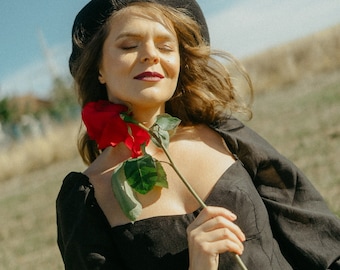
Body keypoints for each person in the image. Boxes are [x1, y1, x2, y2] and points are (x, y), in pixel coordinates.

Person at [56, 0, 340, 269]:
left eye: (166, 46)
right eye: (129, 45)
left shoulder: (226, 135)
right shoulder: (84, 202)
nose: (151, 54)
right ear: (99, 68)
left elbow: (317, 239)